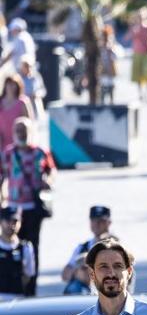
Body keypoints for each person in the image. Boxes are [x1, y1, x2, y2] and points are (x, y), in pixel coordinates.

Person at [3, 117, 54, 294]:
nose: (21, 133)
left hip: (32, 207)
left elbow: (51, 170)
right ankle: (14, 284)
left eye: (24, 129)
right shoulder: (8, 153)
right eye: (17, 129)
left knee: (31, 246)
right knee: (12, 243)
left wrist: (47, 181)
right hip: (14, 206)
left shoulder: (40, 152)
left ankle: (31, 287)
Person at [61, 205, 115, 294]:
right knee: (75, 288)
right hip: (85, 291)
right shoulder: (82, 247)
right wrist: (79, 270)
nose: (97, 224)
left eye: (101, 221)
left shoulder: (117, 246)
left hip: (108, 291)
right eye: (94, 220)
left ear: (109, 223)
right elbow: (65, 275)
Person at [0, 206, 35, 297]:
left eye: (15, 221)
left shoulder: (26, 247)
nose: (12, 225)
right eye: (8, 221)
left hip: (18, 299)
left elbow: (29, 275)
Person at [128, 7, 147, 102]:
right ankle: (140, 93)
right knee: (138, 73)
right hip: (137, 52)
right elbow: (128, 37)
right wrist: (134, 29)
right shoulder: (135, 26)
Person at [0, 74, 32, 152]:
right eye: (9, 84)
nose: (11, 87)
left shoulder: (22, 102)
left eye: (13, 84)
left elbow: (28, 123)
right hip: (2, 142)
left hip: (19, 143)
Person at [99, 25, 121, 105]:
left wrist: (111, 50)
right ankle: (102, 101)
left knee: (111, 86)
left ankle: (111, 101)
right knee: (103, 86)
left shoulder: (111, 49)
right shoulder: (101, 49)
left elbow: (116, 57)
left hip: (110, 70)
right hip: (103, 70)